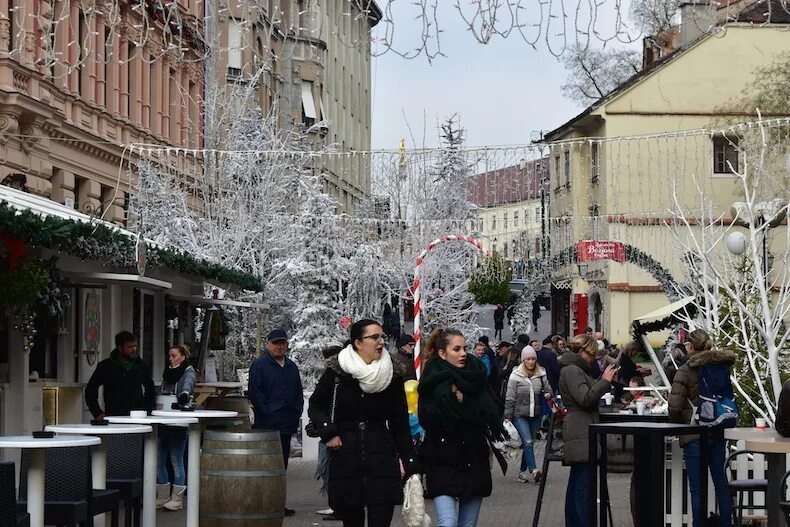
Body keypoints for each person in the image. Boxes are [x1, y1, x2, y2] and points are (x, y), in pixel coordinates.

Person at [308, 320, 418, 527]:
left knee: (381, 520)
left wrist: (411, 462)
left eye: (382, 337)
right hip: (347, 455)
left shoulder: (392, 374)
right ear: (358, 343)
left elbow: (399, 423)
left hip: (381, 456)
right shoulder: (338, 372)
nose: (381, 342)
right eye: (374, 337)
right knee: (352, 521)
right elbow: (316, 406)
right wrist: (329, 432)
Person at [418, 328, 507, 527]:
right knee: (447, 523)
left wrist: (465, 400)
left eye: (465, 348)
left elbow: (491, 412)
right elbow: (427, 418)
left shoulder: (476, 376)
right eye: (456, 349)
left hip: (473, 457)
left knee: (467, 524)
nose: (463, 353)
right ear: (442, 353)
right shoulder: (432, 378)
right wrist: (449, 402)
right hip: (443, 459)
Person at [668, 329, 735, 527]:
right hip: (718, 428)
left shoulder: (686, 369)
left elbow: (675, 406)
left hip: (694, 434)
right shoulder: (720, 366)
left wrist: (677, 421)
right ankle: (726, 524)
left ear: (689, 346)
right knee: (721, 486)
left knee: (697, 489)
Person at [558, 334, 618, 527]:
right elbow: (585, 398)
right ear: (582, 352)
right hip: (581, 429)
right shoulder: (573, 371)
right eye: (592, 355)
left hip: (579, 428)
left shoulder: (572, 369)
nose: (594, 359)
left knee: (577, 482)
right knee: (583, 486)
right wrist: (605, 381)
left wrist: (602, 380)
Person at [248, 329, 304, 517]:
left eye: (282, 343)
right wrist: (267, 413)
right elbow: (255, 394)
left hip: (287, 423)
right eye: (275, 343)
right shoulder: (259, 365)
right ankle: (263, 503)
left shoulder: (291, 366)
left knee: (282, 466)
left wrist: (296, 414)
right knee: (265, 466)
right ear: (267, 344)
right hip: (267, 424)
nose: (279, 347)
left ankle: (278, 503)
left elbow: (298, 392)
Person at [156, 345, 197, 511]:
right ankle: (163, 496)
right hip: (164, 418)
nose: (170, 359)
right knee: (159, 459)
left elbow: (188, 385)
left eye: (173, 355)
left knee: (176, 459)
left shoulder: (189, 372)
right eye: (169, 356)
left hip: (179, 419)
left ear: (182, 356)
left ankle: (177, 499)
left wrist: (185, 394)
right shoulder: (168, 372)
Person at [85, 331, 156, 419]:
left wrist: (147, 410)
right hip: (114, 416)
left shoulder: (141, 366)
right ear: (120, 347)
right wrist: (97, 413)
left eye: (135, 346)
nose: (134, 349)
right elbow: (90, 390)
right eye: (130, 347)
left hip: (137, 418)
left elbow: (151, 389)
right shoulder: (105, 366)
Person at [504, 346, 548, 483]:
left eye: (533, 358)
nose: (531, 361)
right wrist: (507, 417)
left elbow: (549, 390)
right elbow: (510, 397)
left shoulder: (541, 374)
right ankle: (534, 470)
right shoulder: (515, 375)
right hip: (519, 415)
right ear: (523, 360)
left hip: (536, 414)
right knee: (528, 442)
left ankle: (522, 472)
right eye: (528, 359)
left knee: (529, 443)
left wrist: (547, 394)